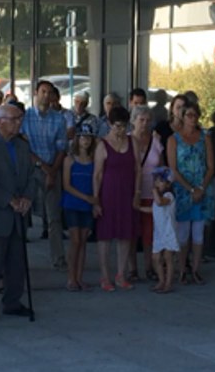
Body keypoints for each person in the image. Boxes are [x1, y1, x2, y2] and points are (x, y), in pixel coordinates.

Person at [0, 103, 40, 322]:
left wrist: (27, 198)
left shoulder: (22, 145)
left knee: (17, 261)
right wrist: (9, 200)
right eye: (14, 119)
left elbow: (32, 175)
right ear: (0, 122)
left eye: (20, 119)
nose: (19, 123)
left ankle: (12, 302)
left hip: (19, 213)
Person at [167, 102, 215, 285]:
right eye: (189, 115)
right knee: (183, 233)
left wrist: (201, 188)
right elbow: (173, 168)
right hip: (183, 190)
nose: (192, 119)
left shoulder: (205, 138)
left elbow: (211, 166)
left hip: (203, 189)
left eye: (195, 115)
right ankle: (182, 269)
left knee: (198, 233)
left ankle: (195, 269)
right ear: (182, 116)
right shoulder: (174, 139)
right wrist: (190, 189)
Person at [22, 80, 68, 270]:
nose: (46, 96)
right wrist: (43, 167)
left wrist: (52, 171)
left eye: (49, 93)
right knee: (23, 214)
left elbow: (62, 148)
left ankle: (58, 258)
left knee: (54, 217)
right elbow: (24, 147)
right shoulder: (25, 117)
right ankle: (18, 259)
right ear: (36, 93)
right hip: (31, 170)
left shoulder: (59, 119)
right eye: (43, 92)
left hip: (53, 168)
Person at [93, 106, 137, 291]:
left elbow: (138, 168)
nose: (121, 130)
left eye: (124, 126)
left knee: (125, 234)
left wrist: (137, 192)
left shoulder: (132, 141)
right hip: (108, 194)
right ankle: (105, 276)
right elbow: (97, 174)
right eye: (118, 126)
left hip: (127, 193)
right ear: (110, 124)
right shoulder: (102, 145)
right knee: (105, 236)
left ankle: (121, 274)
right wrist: (96, 200)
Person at [62, 123, 98, 291]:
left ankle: (79, 277)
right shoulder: (69, 160)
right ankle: (71, 278)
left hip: (87, 205)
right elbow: (66, 185)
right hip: (72, 203)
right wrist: (86, 198)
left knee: (83, 241)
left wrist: (94, 201)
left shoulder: (94, 160)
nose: (86, 140)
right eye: (83, 137)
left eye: (89, 137)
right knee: (75, 240)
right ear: (77, 139)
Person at [131, 105, 163, 282]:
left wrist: (162, 189)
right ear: (133, 121)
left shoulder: (155, 140)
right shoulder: (126, 140)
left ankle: (149, 267)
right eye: (141, 120)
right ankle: (132, 269)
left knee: (149, 233)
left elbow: (162, 167)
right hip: (131, 192)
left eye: (148, 120)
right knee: (130, 233)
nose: (144, 123)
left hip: (152, 193)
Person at [146, 167, 179, 293]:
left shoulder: (168, 196)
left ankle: (168, 283)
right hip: (159, 232)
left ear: (168, 184)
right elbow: (155, 209)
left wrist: (154, 192)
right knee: (155, 257)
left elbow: (160, 203)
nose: (156, 183)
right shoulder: (158, 197)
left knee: (168, 257)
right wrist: (139, 208)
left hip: (168, 231)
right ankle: (161, 280)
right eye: (155, 181)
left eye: (160, 181)